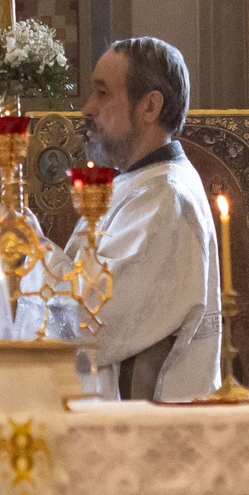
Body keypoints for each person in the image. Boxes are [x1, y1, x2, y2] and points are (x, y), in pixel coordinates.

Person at [44, 37, 221, 401]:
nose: (87, 108)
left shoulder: (166, 201)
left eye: (103, 94)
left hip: (150, 436)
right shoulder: (135, 183)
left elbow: (91, 324)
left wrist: (28, 254)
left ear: (150, 106)